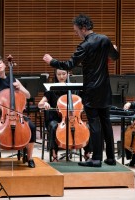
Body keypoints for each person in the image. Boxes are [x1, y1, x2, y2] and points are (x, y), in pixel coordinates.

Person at [43, 14, 119, 167]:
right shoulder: (105, 39)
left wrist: (52, 61)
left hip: (92, 90)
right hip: (105, 88)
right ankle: (110, 157)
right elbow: (115, 56)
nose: (76, 33)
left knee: (94, 123)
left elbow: (69, 65)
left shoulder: (85, 46)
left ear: (83, 28)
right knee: (106, 123)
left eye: (76, 30)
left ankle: (96, 158)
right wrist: (113, 50)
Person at [0, 55, 36, 168]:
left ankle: (30, 157)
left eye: (0, 62)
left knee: (32, 127)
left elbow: (28, 95)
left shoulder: (14, 80)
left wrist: (20, 88)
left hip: (16, 114)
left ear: (5, 65)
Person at [38, 69, 91, 162]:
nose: (61, 76)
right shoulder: (51, 88)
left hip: (74, 119)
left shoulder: (74, 89)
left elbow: (86, 100)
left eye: (63, 74)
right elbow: (40, 104)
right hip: (55, 119)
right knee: (54, 126)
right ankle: (54, 155)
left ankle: (87, 153)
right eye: (59, 74)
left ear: (68, 74)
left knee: (87, 127)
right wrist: (45, 104)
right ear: (55, 75)